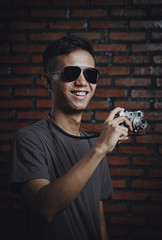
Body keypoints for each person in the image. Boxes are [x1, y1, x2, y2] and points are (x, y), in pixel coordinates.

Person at [10, 35, 132, 240]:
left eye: (90, 74)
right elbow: (43, 208)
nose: (82, 82)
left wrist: (98, 147)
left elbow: (97, 218)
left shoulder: (94, 143)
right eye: (71, 72)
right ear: (47, 81)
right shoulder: (29, 139)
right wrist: (100, 149)